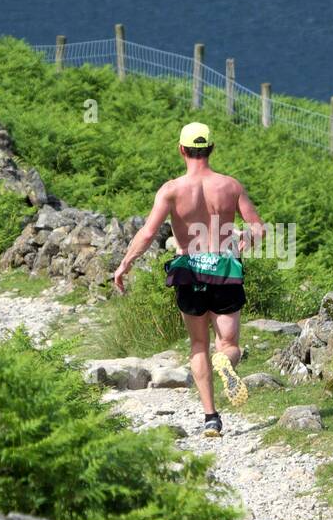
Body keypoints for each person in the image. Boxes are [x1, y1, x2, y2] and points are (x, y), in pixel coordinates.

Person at [113, 122, 264, 436]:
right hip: (224, 268)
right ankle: (226, 362)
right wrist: (249, 235)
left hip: (189, 269)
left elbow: (148, 233)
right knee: (228, 344)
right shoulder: (230, 186)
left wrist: (125, 263)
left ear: (181, 149)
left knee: (198, 344)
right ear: (211, 149)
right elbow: (258, 228)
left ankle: (211, 417)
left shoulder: (171, 190)